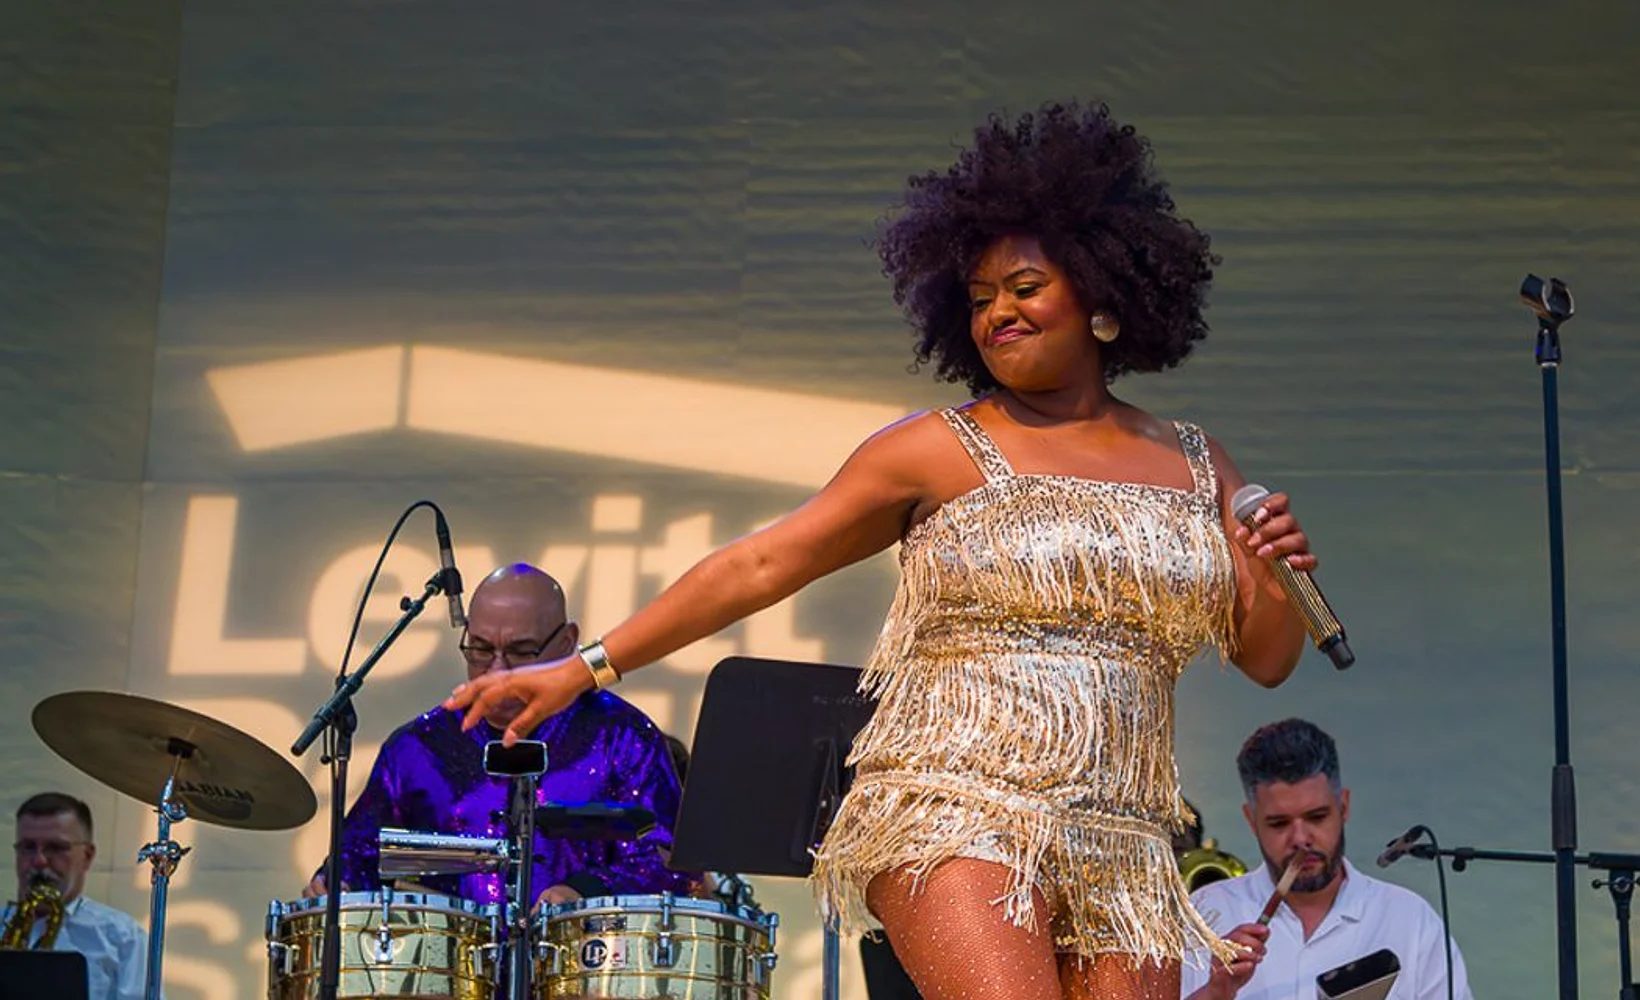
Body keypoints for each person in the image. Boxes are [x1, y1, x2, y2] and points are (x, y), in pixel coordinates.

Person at [445, 100, 1319, 1000]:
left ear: (1102, 294)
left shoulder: (1196, 462)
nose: (998, 313)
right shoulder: (935, 449)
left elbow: (1267, 660)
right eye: (979, 299)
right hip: (956, 808)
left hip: (1124, 838)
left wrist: (1269, 573)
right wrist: (581, 669)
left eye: (1024, 288)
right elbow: (760, 564)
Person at [309, 564, 696, 907]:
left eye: (521, 651)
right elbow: (360, 855)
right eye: (480, 649)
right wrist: (336, 882)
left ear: (567, 642)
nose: (497, 670)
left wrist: (583, 891)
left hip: (587, 959)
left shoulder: (624, 738)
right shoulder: (418, 748)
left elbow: (673, 866)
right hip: (456, 964)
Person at [1181, 719, 1469, 1000]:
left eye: (1317, 817)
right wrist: (1215, 994)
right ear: (1251, 820)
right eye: (1279, 823)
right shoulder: (1204, 915)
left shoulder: (1410, 921)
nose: (1300, 839)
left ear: (1343, 807)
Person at [4, 792, 147, 1000]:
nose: (39, 861)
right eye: (28, 847)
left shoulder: (123, 936)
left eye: (55, 848)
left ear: (87, 856)